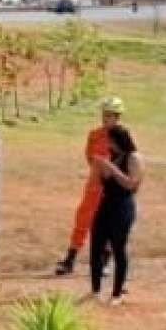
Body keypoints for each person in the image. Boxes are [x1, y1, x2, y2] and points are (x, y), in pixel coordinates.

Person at [53, 96, 131, 277]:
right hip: (94, 186)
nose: (106, 119)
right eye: (104, 115)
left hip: (113, 189)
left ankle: (105, 261)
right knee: (82, 221)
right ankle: (70, 260)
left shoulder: (122, 137)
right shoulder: (94, 135)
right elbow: (90, 158)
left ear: (118, 117)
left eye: (110, 116)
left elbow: (129, 161)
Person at [85, 109, 139, 304]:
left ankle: (117, 293)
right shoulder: (108, 158)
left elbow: (132, 184)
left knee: (118, 247)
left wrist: (112, 169)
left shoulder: (133, 158)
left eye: (110, 140)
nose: (107, 144)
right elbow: (98, 182)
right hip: (105, 203)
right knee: (96, 244)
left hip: (123, 206)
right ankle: (95, 289)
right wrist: (99, 168)